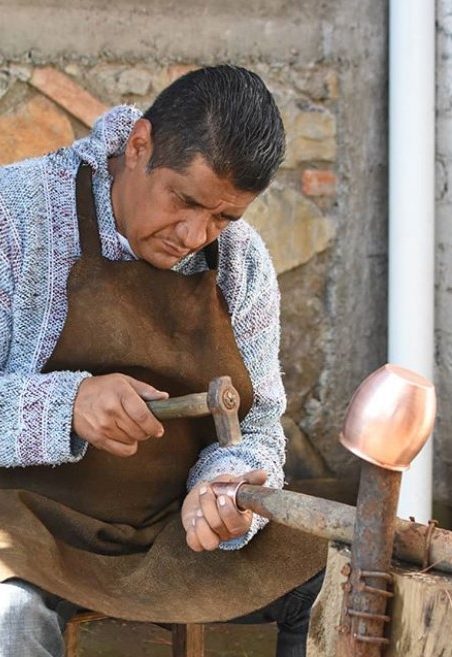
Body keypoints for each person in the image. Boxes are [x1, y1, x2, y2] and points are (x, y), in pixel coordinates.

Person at [0, 65, 326, 657]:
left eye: (223, 217)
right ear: (139, 145)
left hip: (171, 532)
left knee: (333, 578)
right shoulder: (16, 216)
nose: (195, 234)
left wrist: (227, 490)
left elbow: (257, 429)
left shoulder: (241, 262)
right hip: (26, 528)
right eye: (185, 200)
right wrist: (64, 405)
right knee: (10, 619)